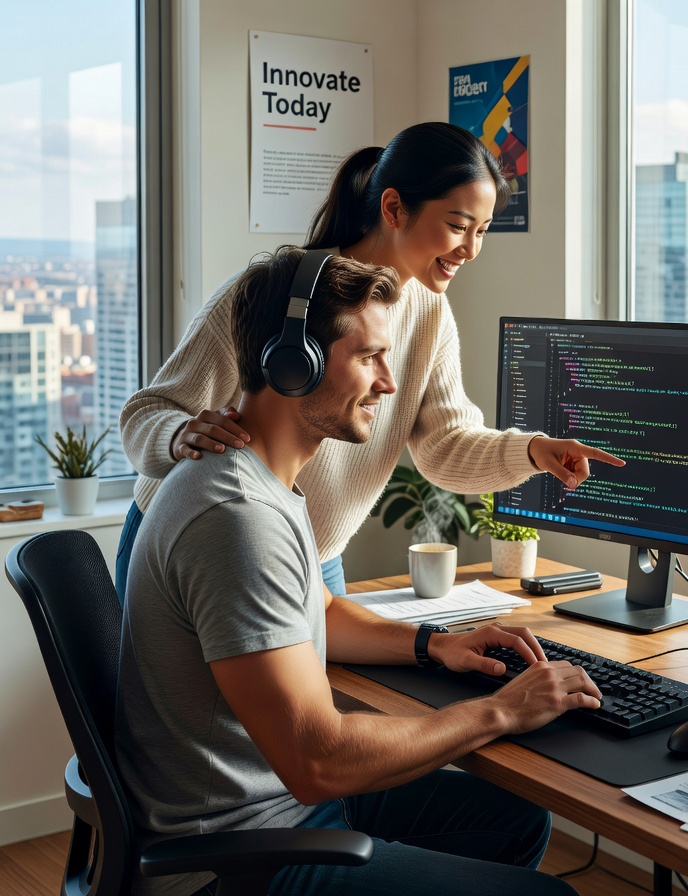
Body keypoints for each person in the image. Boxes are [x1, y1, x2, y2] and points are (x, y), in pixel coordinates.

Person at [115, 247, 599, 896]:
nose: (389, 383)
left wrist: (436, 645)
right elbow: (319, 758)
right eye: (369, 356)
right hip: (236, 858)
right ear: (294, 364)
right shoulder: (234, 516)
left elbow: (318, 608)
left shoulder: (261, 481)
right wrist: (500, 712)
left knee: (512, 823)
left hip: (281, 806)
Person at [117, 121, 624, 601]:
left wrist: (533, 451)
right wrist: (178, 435)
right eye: (458, 225)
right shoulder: (286, 296)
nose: (471, 250)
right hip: (203, 542)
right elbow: (149, 413)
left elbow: (444, 446)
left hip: (317, 554)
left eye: (483, 231)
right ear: (394, 208)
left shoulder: (429, 312)